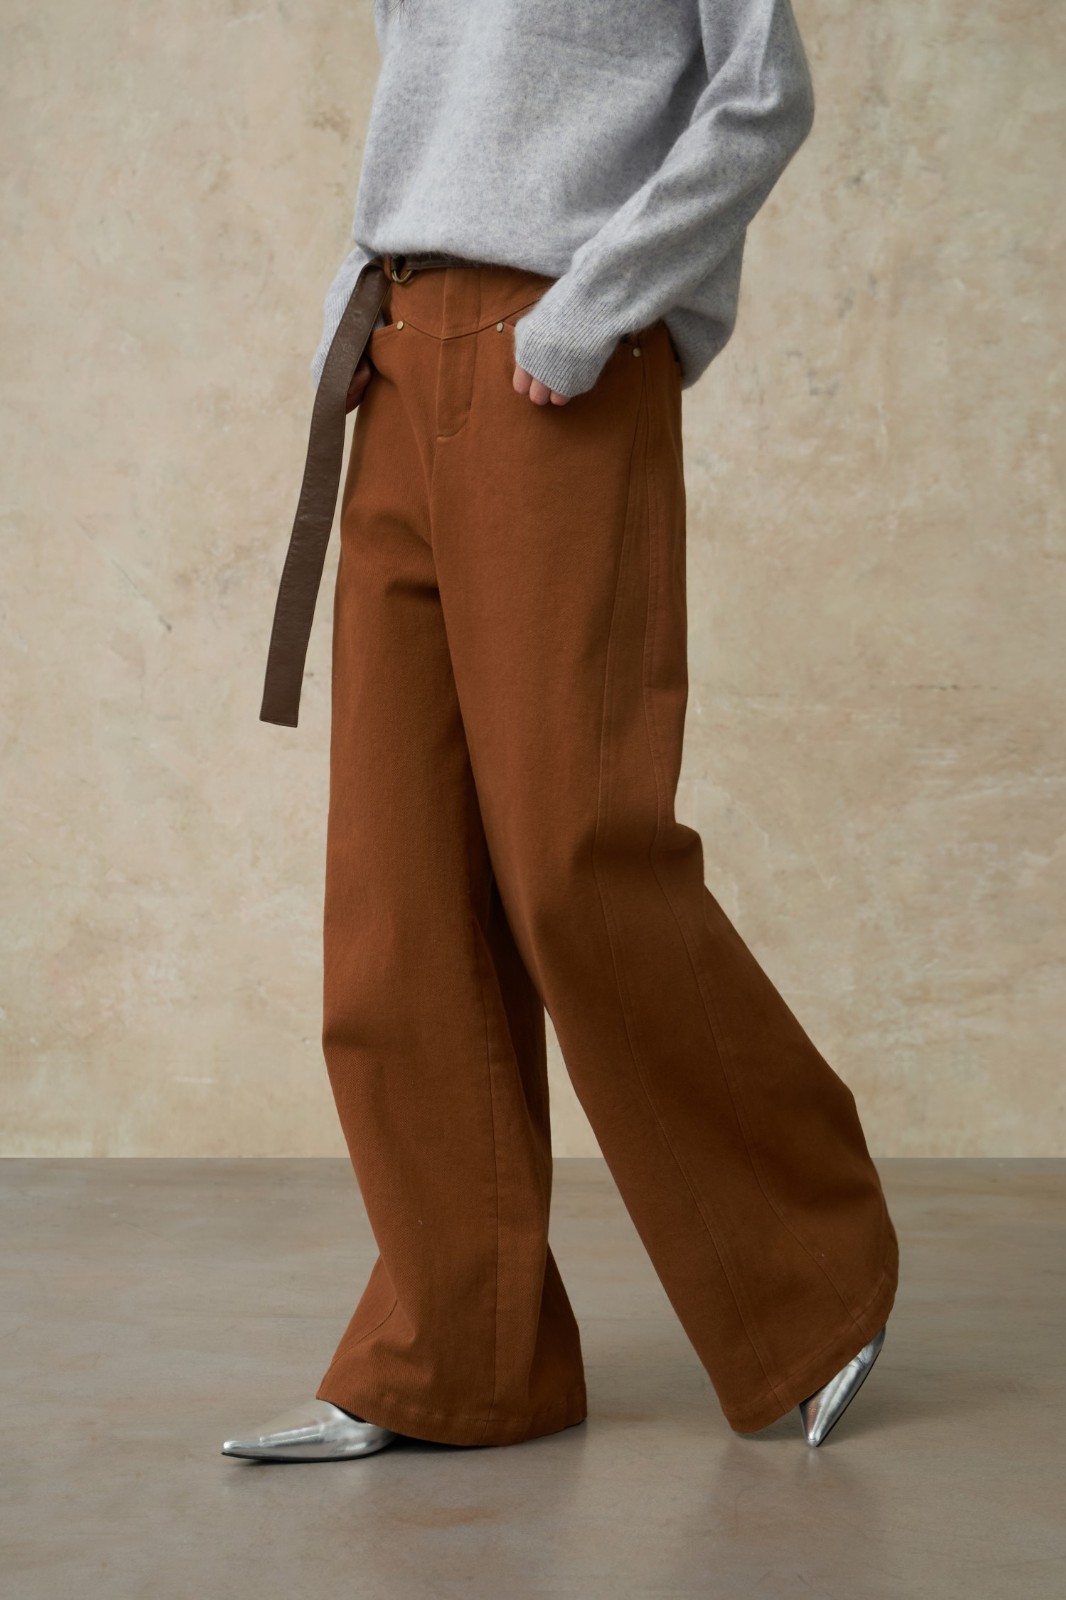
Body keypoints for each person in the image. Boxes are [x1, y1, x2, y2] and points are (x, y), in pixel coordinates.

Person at [223, 0, 899, 1463]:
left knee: (571, 858)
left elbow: (760, 93)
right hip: (395, 356)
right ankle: (456, 1359)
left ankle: (813, 1280)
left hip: (556, 361)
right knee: (397, 893)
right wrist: (361, 304)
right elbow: (435, 107)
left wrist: (599, 304)